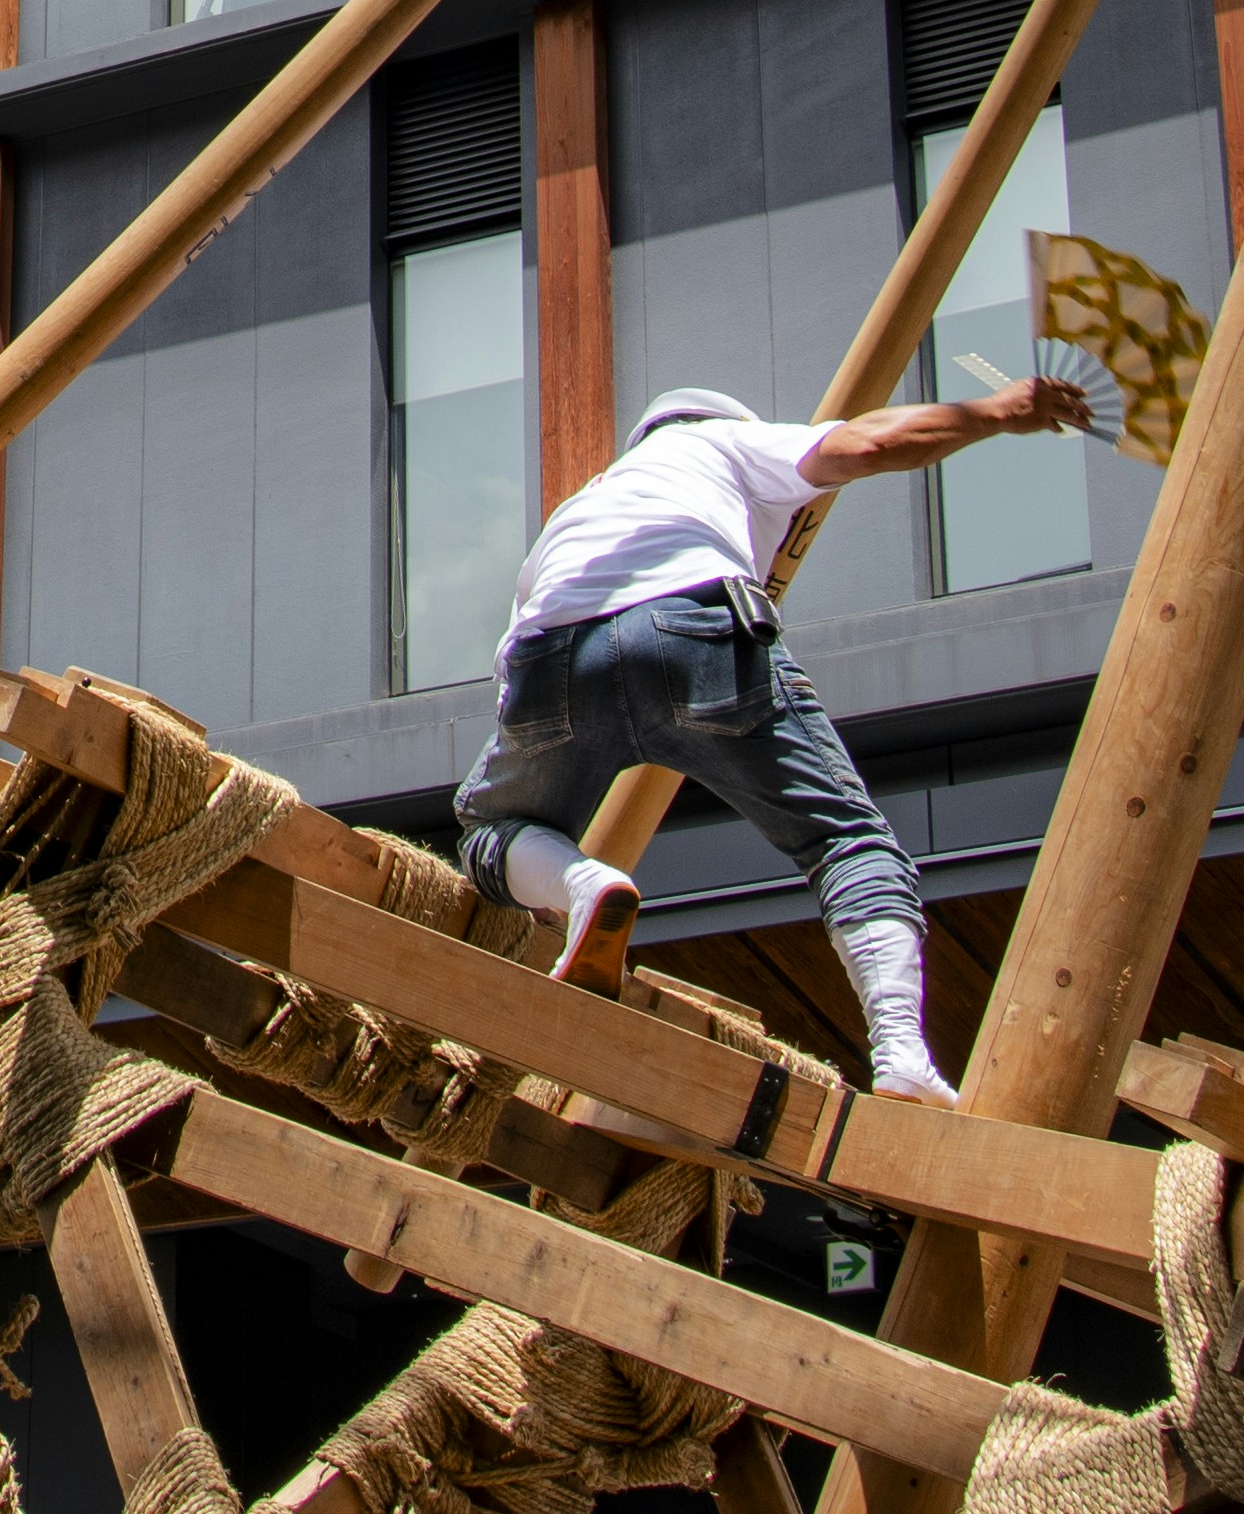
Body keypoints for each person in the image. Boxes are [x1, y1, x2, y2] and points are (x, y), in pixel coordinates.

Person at [446, 374, 1062, 1084]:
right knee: (846, 840)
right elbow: (870, 441)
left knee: (489, 831)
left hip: (553, 660)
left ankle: (582, 886)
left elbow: (512, 669)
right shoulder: (724, 441)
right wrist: (994, 411)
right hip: (697, 628)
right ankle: (901, 1054)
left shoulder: (578, 511)